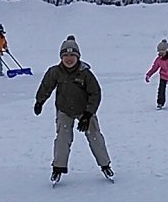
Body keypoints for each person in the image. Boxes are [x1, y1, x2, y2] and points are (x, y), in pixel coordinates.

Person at [34, 35, 114, 183]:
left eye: (72, 55)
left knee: (95, 136)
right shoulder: (55, 72)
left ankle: (105, 165)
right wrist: (39, 102)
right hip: (64, 110)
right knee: (62, 138)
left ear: (78, 56)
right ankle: (58, 168)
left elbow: (95, 93)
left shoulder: (85, 73)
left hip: (85, 111)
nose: (69, 58)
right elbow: (46, 86)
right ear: (61, 57)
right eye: (65, 55)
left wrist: (88, 114)